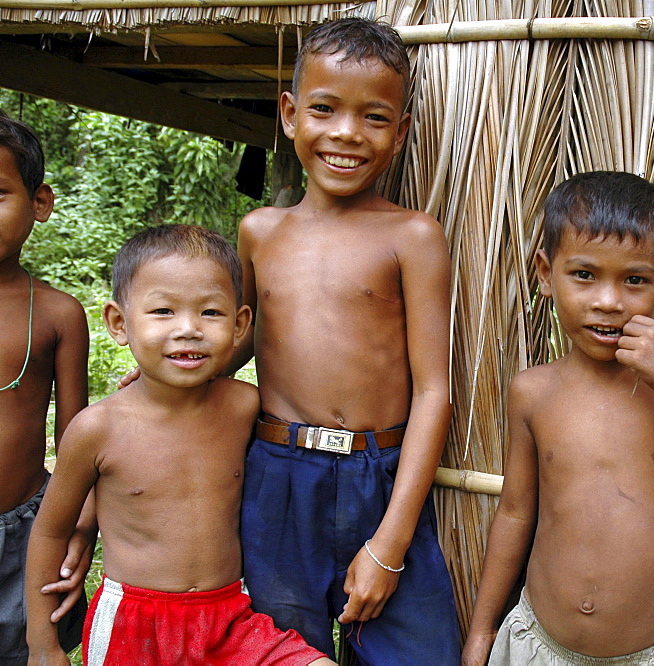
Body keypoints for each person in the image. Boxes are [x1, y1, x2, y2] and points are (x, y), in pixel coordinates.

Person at [232, 17, 459, 664]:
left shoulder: (412, 237)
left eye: (374, 117)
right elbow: (243, 343)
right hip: (278, 477)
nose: (346, 134)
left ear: (402, 131)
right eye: (324, 109)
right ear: (289, 113)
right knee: (278, 654)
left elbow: (435, 390)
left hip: (381, 479)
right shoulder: (259, 231)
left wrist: (389, 545)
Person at [462, 171, 654, 666]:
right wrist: (483, 630)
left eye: (634, 280)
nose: (608, 302)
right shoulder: (534, 390)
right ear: (546, 275)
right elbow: (514, 512)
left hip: (647, 654)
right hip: (536, 643)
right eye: (585, 275)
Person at [24, 225, 335, 666]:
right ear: (119, 323)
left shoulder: (244, 406)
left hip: (230, 617)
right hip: (135, 625)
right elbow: (51, 530)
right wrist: (42, 645)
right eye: (163, 311)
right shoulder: (98, 429)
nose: (188, 329)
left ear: (240, 323)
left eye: (210, 312)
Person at [0, 111, 90, 662]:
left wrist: (80, 532)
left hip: (26, 537)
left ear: (39, 203)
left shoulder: (57, 313)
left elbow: (78, 440)